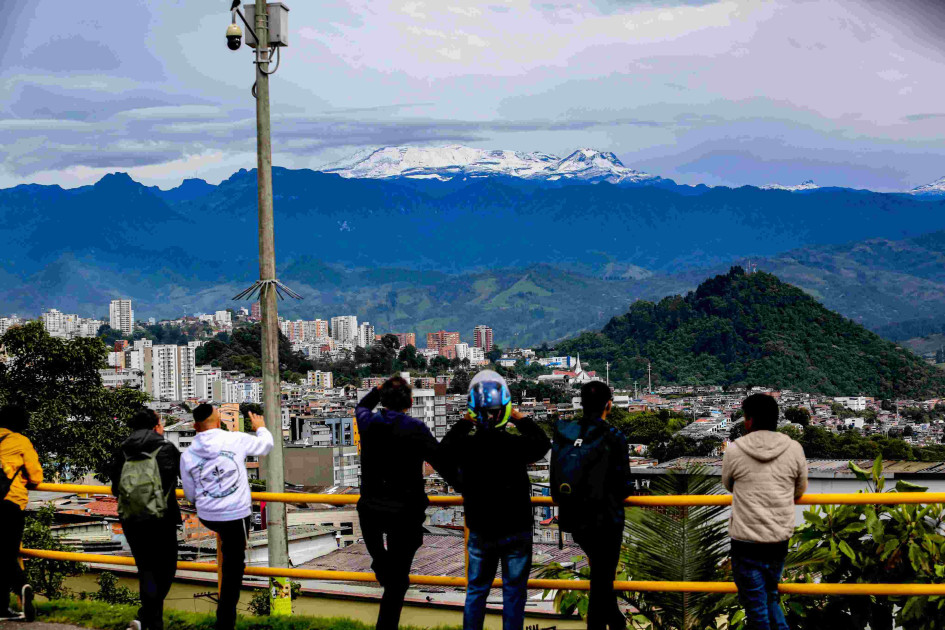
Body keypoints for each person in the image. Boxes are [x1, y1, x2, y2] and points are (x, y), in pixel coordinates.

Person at [441, 370, 550, 630]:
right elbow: (542, 443)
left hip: (480, 528)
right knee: (514, 592)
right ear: (505, 410)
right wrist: (518, 417)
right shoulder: (515, 445)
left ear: (474, 411)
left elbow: (443, 451)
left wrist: (465, 421)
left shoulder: (467, 447)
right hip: (516, 528)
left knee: (476, 590)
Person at [355, 376, 455, 630]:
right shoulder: (416, 428)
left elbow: (361, 407)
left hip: (371, 512)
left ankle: (382, 567)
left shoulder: (368, 423)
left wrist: (377, 390)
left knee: (392, 576)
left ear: (383, 400)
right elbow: (442, 463)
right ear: (410, 403)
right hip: (405, 514)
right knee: (398, 581)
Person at [180, 404, 273, 630]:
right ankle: (225, 621)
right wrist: (260, 427)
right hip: (235, 515)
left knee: (227, 555)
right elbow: (266, 445)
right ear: (218, 420)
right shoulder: (235, 440)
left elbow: (190, 494)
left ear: (195, 426)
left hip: (207, 515)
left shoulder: (188, 454)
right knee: (233, 568)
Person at [722, 394, 808, 630]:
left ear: (749, 420)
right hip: (778, 538)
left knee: (756, 607)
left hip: (745, 540)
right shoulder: (794, 448)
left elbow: (729, 485)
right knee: (770, 596)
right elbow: (799, 489)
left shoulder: (734, 450)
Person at [551, 381, 632, 630]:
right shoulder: (614, 436)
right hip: (606, 521)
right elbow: (624, 486)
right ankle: (614, 623)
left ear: (582, 404)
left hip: (575, 519)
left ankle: (615, 622)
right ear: (609, 405)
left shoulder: (565, 432)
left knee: (600, 579)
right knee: (602, 582)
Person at [109, 408, 181, 630]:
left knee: (146, 569)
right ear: (156, 426)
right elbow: (183, 477)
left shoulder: (122, 450)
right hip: (162, 517)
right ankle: (149, 620)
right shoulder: (166, 448)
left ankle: (148, 621)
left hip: (131, 518)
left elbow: (115, 488)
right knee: (166, 569)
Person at [0, 404, 42, 622]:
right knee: (7, 552)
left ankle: (2, 608)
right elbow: (36, 477)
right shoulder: (20, 441)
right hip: (10, 503)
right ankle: (21, 586)